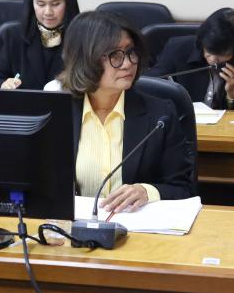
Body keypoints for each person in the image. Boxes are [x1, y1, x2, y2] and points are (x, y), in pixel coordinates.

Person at [58, 11, 196, 214]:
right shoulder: (58, 115)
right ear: (85, 59)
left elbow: (184, 189)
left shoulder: (160, 115)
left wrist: (147, 191)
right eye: (115, 55)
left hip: (138, 229)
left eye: (130, 51)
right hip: (72, 227)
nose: (128, 63)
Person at [0, 0, 80, 90]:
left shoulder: (81, 38)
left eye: (55, 4)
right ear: (31, 3)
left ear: (68, 3)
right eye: (41, 4)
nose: (48, 12)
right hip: (21, 103)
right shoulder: (11, 36)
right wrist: (3, 85)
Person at [147, 7, 234, 109]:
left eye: (222, 54)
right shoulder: (177, 49)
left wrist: (232, 93)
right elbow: (149, 85)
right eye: (209, 51)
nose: (213, 59)